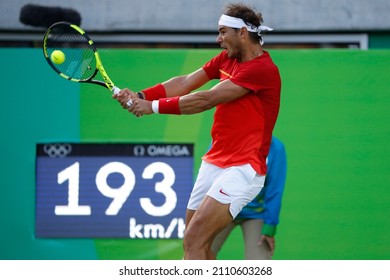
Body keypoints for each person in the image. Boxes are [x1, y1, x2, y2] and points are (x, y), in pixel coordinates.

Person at [113, 3, 281, 259]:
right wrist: (141, 96)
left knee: (194, 239)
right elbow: (186, 83)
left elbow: (205, 99)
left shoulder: (263, 70)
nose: (219, 39)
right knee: (196, 245)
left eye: (223, 32)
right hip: (215, 161)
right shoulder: (226, 59)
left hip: (243, 168)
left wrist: (152, 107)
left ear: (243, 33)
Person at [211, 136, 287, 259]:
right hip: (223, 208)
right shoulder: (224, 138)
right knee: (198, 252)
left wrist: (270, 226)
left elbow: (275, 190)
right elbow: (209, 177)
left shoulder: (276, 148)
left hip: (255, 214)